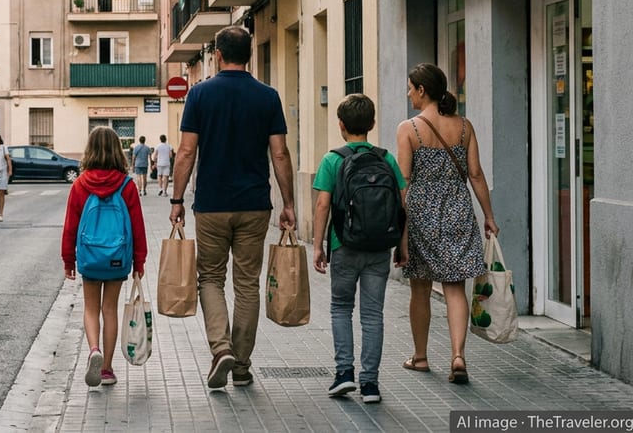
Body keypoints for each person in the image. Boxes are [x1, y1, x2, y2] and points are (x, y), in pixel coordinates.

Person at [169, 26, 296, 390]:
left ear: (218, 56)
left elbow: (187, 151)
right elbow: (280, 153)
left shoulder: (199, 95)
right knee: (246, 284)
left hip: (211, 204)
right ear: (250, 55)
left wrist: (177, 200)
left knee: (209, 278)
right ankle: (241, 365)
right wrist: (288, 203)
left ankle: (220, 348)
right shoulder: (268, 97)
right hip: (255, 204)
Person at [396, 63, 498, 385]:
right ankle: (458, 356)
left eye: (411, 87)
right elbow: (476, 174)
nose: (408, 93)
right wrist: (489, 218)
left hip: (422, 216)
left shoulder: (409, 129)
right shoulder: (464, 127)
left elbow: (403, 183)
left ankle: (421, 357)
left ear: (422, 90)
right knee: (455, 286)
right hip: (457, 212)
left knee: (421, 288)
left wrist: (400, 232)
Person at [311, 94, 407, 404]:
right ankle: (370, 384)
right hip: (379, 247)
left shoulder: (332, 160)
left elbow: (322, 204)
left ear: (340, 124)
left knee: (341, 308)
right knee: (372, 314)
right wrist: (401, 246)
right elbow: (403, 205)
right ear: (372, 124)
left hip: (344, 245)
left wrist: (317, 247)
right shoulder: (386, 158)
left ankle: (344, 375)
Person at [61, 126, 148, 388]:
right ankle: (107, 369)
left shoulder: (80, 185)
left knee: (90, 308)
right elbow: (137, 226)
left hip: (89, 256)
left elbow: (70, 227)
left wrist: (68, 260)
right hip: (117, 258)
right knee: (109, 309)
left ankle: (93, 349)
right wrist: (139, 260)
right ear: (116, 151)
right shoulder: (127, 185)